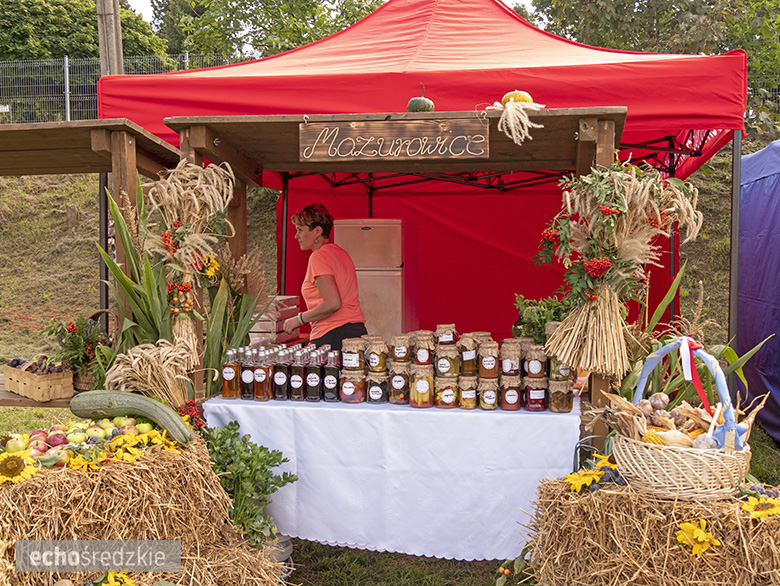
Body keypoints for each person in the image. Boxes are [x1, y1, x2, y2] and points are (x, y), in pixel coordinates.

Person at [283, 204, 367, 352]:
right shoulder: (341, 253)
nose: (296, 236)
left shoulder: (318, 257)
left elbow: (333, 303)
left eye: (300, 230)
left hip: (332, 336)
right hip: (357, 332)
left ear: (317, 231)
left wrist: (298, 319)